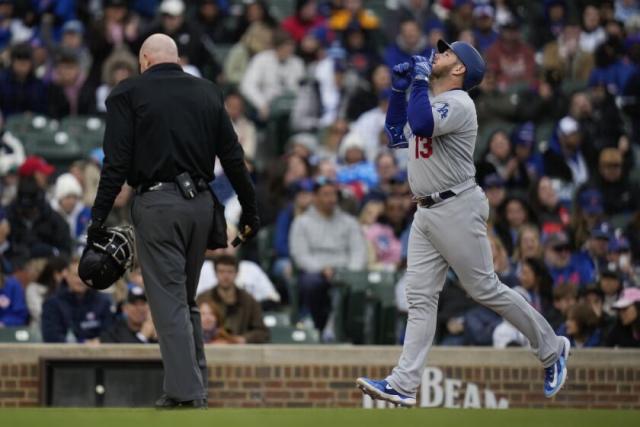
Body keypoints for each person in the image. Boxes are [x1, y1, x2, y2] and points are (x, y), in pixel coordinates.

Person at [356, 39, 570, 407]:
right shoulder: (434, 100)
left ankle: (553, 349)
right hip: (425, 211)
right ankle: (404, 383)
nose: (438, 53)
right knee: (420, 299)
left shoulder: (459, 103)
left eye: (448, 53)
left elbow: (421, 124)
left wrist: (420, 82)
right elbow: (396, 134)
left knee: (485, 288)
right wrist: (397, 90)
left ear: (459, 70)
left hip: (456, 205)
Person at [87, 34, 259, 409]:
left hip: (158, 204)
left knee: (168, 304)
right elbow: (233, 157)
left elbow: (115, 164)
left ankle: (186, 393)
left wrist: (97, 219)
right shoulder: (208, 92)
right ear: (176, 58)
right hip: (200, 205)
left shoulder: (127, 93)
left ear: (145, 60)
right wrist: (251, 210)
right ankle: (194, 384)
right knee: (184, 299)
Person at [196, 255, 269, 344]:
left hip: (241, 352)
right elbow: (192, 327)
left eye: (230, 272)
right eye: (221, 271)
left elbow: (262, 332)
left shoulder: (249, 300)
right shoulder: (203, 298)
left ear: (237, 273)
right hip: (209, 348)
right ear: (215, 273)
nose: (225, 276)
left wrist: (242, 339)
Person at [41, 258, 113, 343]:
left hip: (100, 353)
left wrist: (100, 341)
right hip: (64, 354)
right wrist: (82, 344)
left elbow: (110, 333)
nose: (80, 281)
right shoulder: (52, 304)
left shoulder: (104, 301)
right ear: (66, 275)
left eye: (85, 276)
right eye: (76, 275)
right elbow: (51, 337)